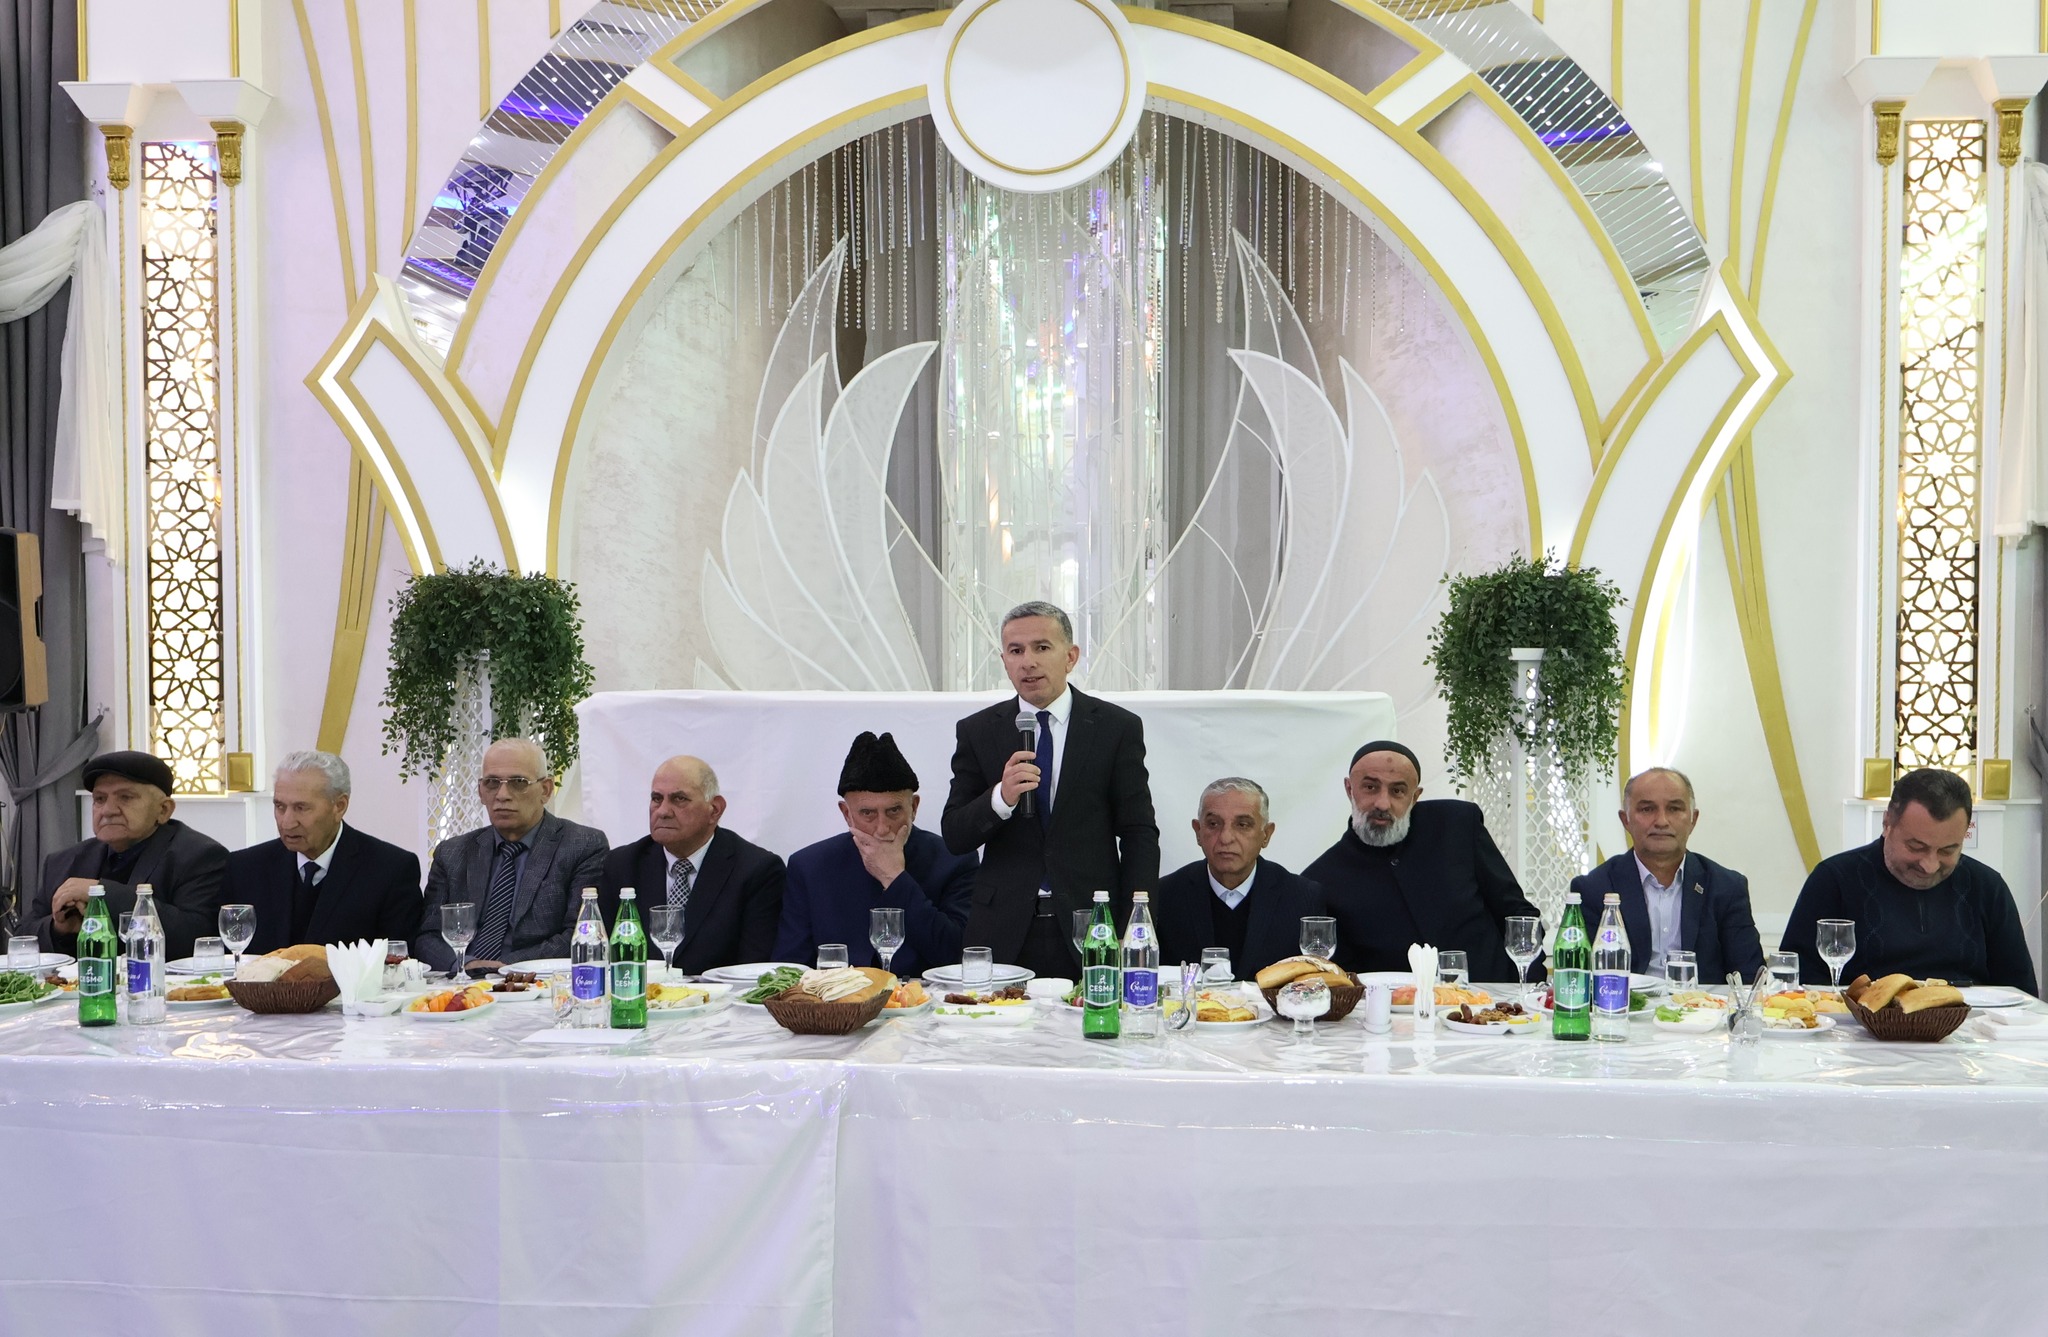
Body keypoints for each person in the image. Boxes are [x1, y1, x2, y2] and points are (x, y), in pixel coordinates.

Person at [942, 601, 1160, 978]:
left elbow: (1139, 833)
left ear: (1070, 656)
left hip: (1091, 926)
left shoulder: (1115, 728)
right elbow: (955, 835)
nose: (1028, 662)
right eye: (1016, 651)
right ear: (1005, 661)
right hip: (1002, 928)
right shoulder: (978, 731)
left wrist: (1134, 924)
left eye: (1041, 647)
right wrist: (1001, 799)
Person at [1783, 767, 2037, 993]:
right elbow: (1794, 984)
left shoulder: (1987, 887)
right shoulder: (1834, 880)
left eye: (1947, 850)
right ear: (1887, 823)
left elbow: (2020, 994)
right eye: (1916, 847)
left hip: (1970, 1026)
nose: (1929, 865)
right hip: (1858, 1027)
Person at [1306, 740, 1540, 982]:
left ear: (1415, 796)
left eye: (1398, 791)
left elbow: (1518, 915)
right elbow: (1343, 980)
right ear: (1349, 789)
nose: (1383, 803)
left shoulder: (1456, 826)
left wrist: (1527, 989)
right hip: (1397, 1005)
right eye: (1370, 787)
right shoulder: (1322, 880)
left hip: (1494, 998)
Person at [773, 731, 976, 976]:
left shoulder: (953, 859)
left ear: (913, 807)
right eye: (867, 813)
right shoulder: (810, 866)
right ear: (847, 814)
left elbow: (958, 956)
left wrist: (895, 878)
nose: (882, 828)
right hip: (837, 997)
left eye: (894, 811)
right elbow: (789, 969)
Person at [413, 738, 608, 972]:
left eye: (518, 782)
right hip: (462, 980)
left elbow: (581, 934)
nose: (502, 795)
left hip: (535, 981)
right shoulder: (452, 853)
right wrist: (468, 964)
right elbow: (428, 937)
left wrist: (504, 968)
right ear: (480, 791)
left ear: (546, 790)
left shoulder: (582, 845)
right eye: (492, 783)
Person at [26, 750, 228, 961]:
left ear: (163, 810)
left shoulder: (200, 856)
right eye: (100, 799)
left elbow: (198, 938)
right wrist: (58, 929)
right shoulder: (63, 862)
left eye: (126, 797)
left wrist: (101, 894)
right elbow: (23, 939)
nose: (108, 810)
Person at [1569, 766, 1764, 983]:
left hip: (1703, 1004)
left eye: (1674, 809)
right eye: (1647, 809)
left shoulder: (1726, 887)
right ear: (1626, 820)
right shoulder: (1593, 888)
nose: (1661, 821)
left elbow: (1750, 979)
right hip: (1624, 1002)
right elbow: (1579, 977)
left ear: (1693, 819)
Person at [598, 755, 784, 975]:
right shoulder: (622, 865)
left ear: (715, 809)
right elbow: (604, 956)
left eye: (679, 799)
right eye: (657, 798)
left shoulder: (757, 870)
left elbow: (753, 971)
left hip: (720, 995)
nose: (663, 811)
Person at [228, 751, 424, 955]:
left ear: (339, 806)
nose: (287, 822)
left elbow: (398, 961)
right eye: (280, 806)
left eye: (301, 808)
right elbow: (226, 957)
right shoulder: (244, 869)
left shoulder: (391, 871)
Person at [1151, 777, 1326, 980]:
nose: (1226, 838)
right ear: (1198, 832)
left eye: (1242, 825)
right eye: (1213, 824)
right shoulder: (1164, 896)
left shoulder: (1302, 898)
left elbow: (1318, 982)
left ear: (1266, 834)